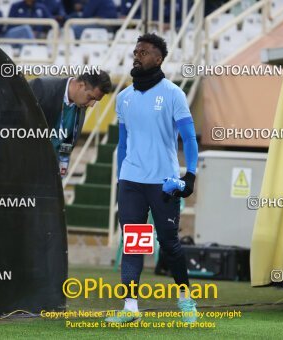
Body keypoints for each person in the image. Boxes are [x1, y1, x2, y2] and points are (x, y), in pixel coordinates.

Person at [105, 33, 199, 324]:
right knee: (133, 244)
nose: (137, 56)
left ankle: (185, 300)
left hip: (163, 183)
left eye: (143, 52)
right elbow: (123, 143)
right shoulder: (124, 98)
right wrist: (122, 177)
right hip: (131, 182)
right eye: (135, 51)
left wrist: (191, 175)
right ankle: (130, 309)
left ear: (158, 59)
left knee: (170, 244)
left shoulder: (174, 94)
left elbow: (189, 138)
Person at [29, 72, 112, 177]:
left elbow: (67, 143)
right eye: (91, 97)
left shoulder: (80, 105)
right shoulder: (41, 87)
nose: (91, 105)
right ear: (81, 85)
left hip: (50, 175)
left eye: (95, 100)